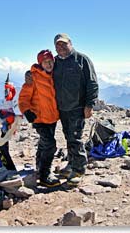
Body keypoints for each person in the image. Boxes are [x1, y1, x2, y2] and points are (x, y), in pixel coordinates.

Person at [26, 33, 99, 187]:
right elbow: (43, 70)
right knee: (68, 137)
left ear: (70, 43)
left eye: (64, 44)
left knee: (75, 138)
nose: (61, 47)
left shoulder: (82, 60)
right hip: (61, 109)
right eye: (58, 45)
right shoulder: (56, 62)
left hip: (77, 108)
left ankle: (78, 170)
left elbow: (92, 83)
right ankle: (71, 165)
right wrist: (30, 74)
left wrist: (89, 105)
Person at [18, 50, 61, 188]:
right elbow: (24, 97)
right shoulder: (34, 78)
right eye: (45, 62)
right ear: (40, 63)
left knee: (44, 143)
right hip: (39, 119)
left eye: (50, 61)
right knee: (50, 145)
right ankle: (44, 175)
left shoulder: (55, 75)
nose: (49, 64)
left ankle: (39, 167)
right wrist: (26, 111)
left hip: (52, 117)